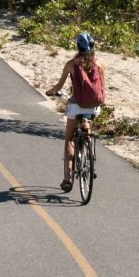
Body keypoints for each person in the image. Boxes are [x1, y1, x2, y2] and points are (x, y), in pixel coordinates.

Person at [45, 32, 106, 193]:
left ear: (78, 47)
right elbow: (102, 87)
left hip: (77, 106)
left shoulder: (71, 64)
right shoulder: (100, 63)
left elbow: (59, 86)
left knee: (69, 138)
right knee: (88, 126)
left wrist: (50, 92)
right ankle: (91, 160)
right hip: (94, 107)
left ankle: (68, 178)